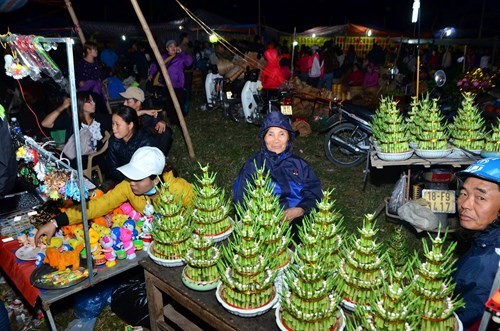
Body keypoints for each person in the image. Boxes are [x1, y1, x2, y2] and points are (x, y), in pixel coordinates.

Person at [35, 146, 194, 245]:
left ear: (155, 178)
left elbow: (203, 214)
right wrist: (56, 222)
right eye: (131, 176)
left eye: (137, 177)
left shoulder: (179, 189)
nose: (132, 182)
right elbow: (99, 206)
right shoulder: (128, 186)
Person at [233, 111, 323, 242]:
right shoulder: (253, 166)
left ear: (289, 138)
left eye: (282, 134)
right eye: (271, 134)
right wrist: (266, 218)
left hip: (297, 220)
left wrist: (300, 209)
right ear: (264, 138)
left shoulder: (300, 166)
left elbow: (314, 193)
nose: (276, 140)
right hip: (263, 223)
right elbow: (241, 199)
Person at [453, 157, 500, 330]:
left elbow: (462, 321)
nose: (465, 204)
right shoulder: (486, 238)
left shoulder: (486, 264)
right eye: (463, 193)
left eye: (480, 197)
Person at [41, 91, 111, 169]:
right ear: (80, 104)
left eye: (93, 101)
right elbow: (45, 124)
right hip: (73, 158)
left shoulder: (99, 119)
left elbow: (115, 120)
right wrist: (63, 107)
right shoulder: (71, 120)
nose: (93, 103)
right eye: (89, 101)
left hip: (93, 157)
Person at [106, 106, 158, 184]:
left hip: (144, 184)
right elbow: (113, 169)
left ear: (130, 125)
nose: (113, 128)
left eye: (117, 124)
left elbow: (149, 172)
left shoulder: (145, 141)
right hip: (123, 182)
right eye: (113, 124)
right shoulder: (113, 141)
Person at [148, 39, 193, 125]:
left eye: (174, 46)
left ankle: (179, 120)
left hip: (178, 84)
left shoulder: (181, 56)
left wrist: (182, 52)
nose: (173, 47)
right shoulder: (163, 57)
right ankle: (173, 120)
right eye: (170, 46)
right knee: (169, 102)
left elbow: (189, 62)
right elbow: (155, 65)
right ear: (167, 48)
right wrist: (151, 74)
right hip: (167, 84)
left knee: (178, 102)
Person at [120, 86, 173, 157]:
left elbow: (157, 119)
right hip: (129, 148)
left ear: (138, 103)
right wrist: (143, 112)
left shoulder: (147, 112)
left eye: (128, 101)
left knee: (166, 132)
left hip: (147, 144)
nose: (124, 104)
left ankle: (160, 158)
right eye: (124, 100)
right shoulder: (122, 111)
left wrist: (162, 122)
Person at [75, 41, 107, 114]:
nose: (96, 51)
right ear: (88, 50)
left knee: (100, 111)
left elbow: (101, 75)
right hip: (86, 92)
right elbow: (76, 76)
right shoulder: (81, 63)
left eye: (96, 49)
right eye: (94, 49)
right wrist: (79, 81)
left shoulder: (98, 62)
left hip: (97, 91)